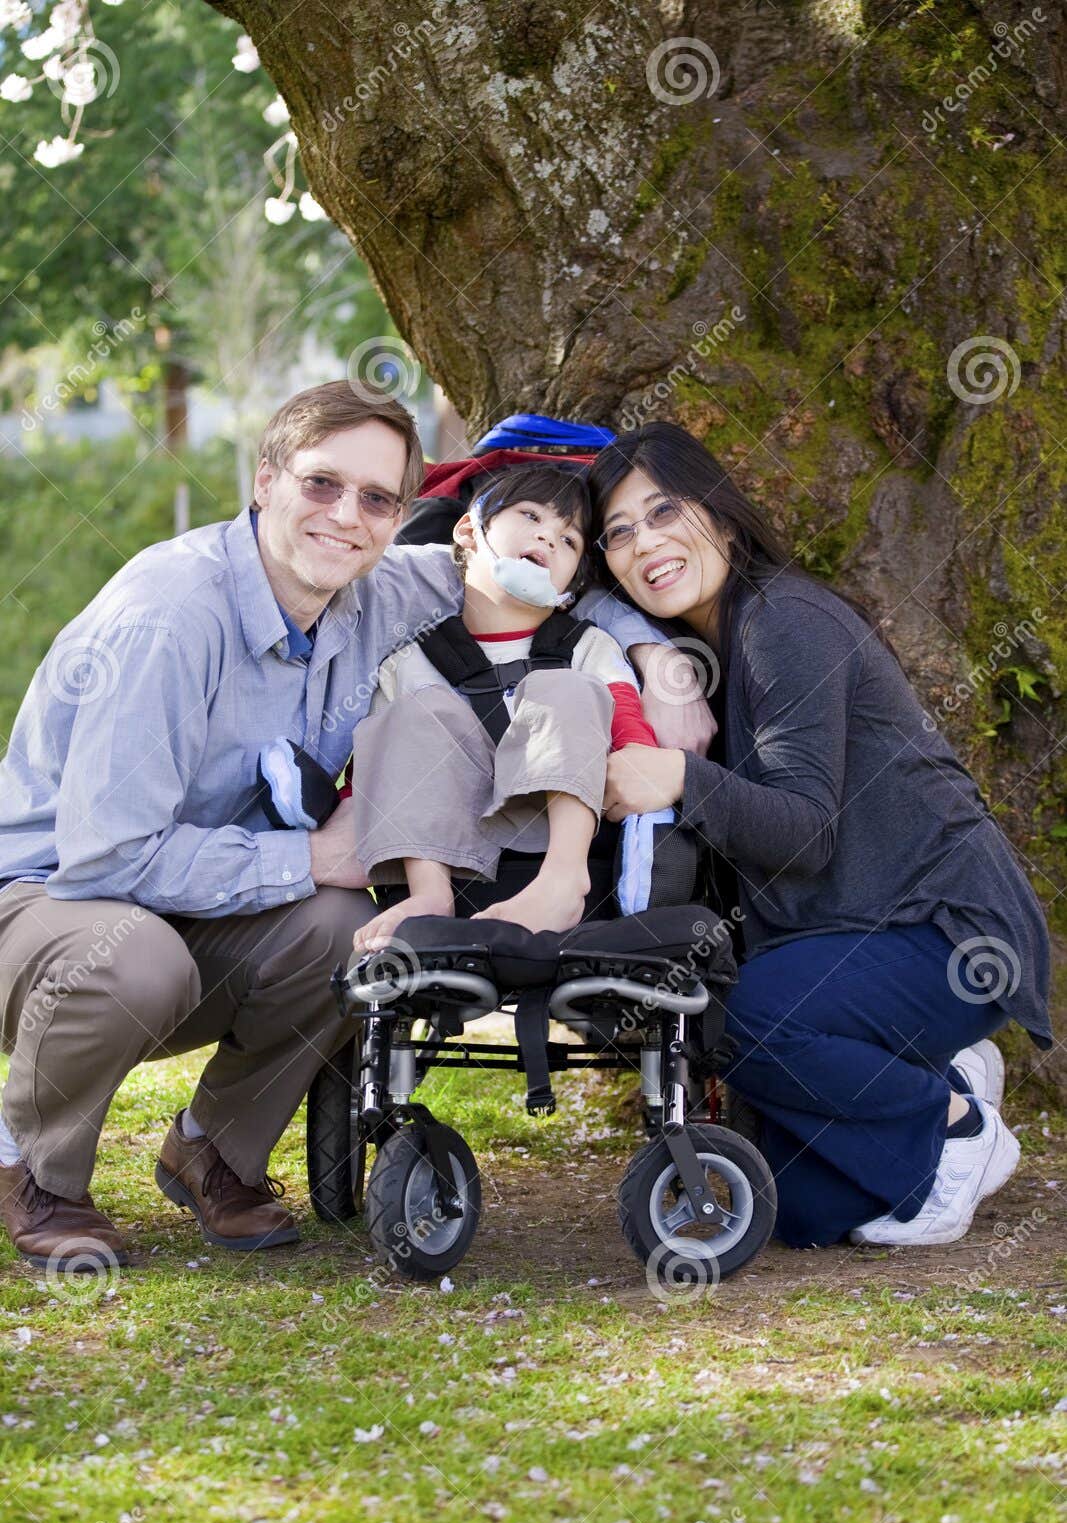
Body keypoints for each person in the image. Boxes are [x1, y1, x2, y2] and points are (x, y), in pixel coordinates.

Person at [0, 385, 707, 1272]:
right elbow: (109, 855)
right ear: (264, 481)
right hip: (52, 900)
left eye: (376, 500)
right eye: (321, 484)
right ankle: (37, 1172)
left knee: (357, 931)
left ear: (403, 518)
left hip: (212, 898)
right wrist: (314, 854)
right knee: (139, 953)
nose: (346, 517)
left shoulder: (378, 587)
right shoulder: (170, 616)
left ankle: (213, 1148)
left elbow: (532, 578)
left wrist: (658, 658)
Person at [588, 421, 1052, 1250]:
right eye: (618, 533)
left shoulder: (782, 622)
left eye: (664, 513)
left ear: (722, 518)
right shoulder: (708, 650)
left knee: (739, 1017)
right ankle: (941, 1076)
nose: (643, 543)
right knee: (795, 1208)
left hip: (946, 930)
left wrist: (676, 779)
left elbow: (805, 834)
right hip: (854, 943)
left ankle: (950, 1123)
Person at [349, 462, 661, 951]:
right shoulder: (411, 659)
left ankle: (562, 882)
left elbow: (627, 723)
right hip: (450, 850)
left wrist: (642, 766)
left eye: (570, 541)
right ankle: (429, 898)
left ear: (570, 590)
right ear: (470, 530)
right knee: (412, 715)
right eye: (531, 516)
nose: (549, 539)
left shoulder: (586, 646)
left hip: (562, 830)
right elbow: (380, 774)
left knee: (566, 688)